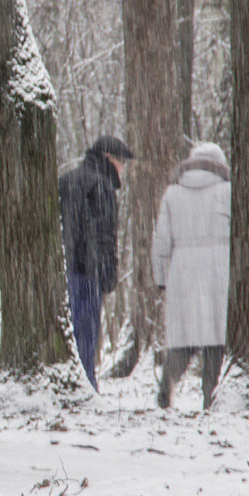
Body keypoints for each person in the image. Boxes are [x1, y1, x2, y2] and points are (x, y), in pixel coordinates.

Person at [152, 142, 231, 409]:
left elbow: (161, 241)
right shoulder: (228, 191)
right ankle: (211, 397)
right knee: (215, 340)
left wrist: (160, 278)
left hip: (182, 272)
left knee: (183, 339)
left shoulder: (172, 194)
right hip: (218, 271)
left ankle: (166, 391)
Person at [59, 134, 134, 390]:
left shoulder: (66, 180)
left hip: (63, 271)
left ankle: (72, 384)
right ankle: (86, 386)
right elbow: (103, 236)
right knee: (86, 335)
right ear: (107, 159)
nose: (123, 168)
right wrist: (108, 272)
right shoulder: (101, 186)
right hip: (88, 273)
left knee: (67, 335)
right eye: (121, 161)